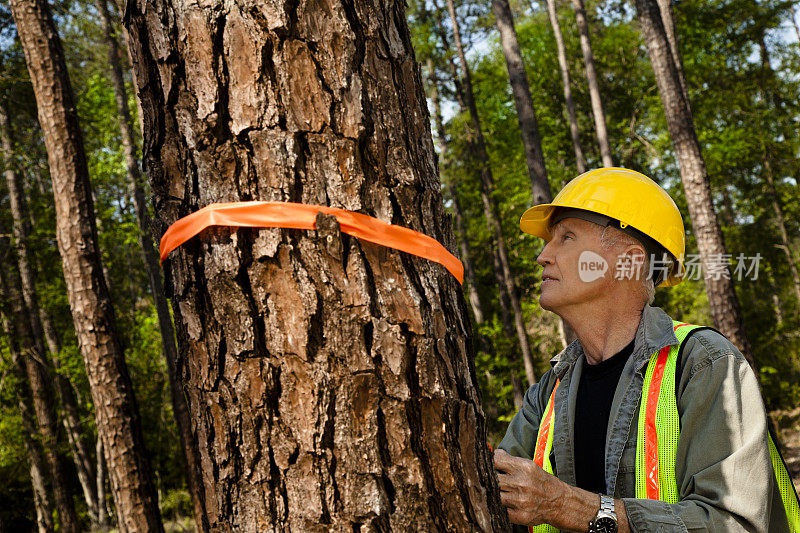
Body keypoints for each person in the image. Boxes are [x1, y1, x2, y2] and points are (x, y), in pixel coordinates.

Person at [493, 167, 797, 532]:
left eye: (566, 237)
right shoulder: (548, 391)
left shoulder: (704, 364)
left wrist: (574, 508)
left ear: (631, 261)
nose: (543, 255)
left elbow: (733, 523)